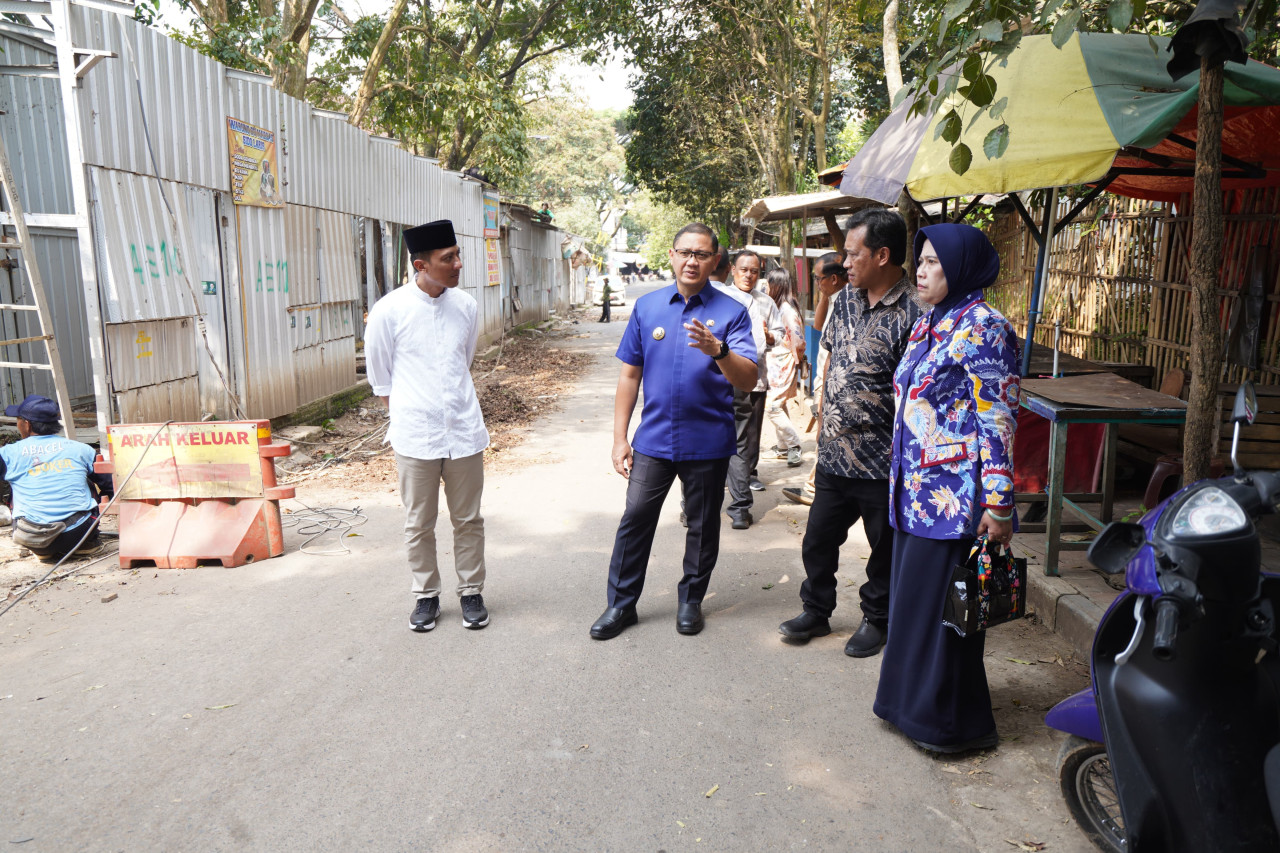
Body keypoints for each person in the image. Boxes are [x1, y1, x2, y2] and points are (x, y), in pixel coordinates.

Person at [874, 222, 1020, 754]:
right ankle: (906, 706)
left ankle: (951, 726)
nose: (921, 270)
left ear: (960, 269)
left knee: (948, 617)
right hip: (914, 493)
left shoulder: (985, 326)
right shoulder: (929, 324)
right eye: (921, 260)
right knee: (915, 606)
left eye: (934, 262)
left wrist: (999, 503)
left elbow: (999, 418)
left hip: (956, 500)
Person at [591, 224, 758, 640]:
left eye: (701, 254)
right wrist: (619, 437)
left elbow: (749, 379)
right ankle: (621, 605)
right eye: (685, 252)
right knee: (635, 519)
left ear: (715, 261)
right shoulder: (647, 308)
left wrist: (718, 350)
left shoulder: (732, 312)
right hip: (653, 441)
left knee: (703, 525)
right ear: (671, 255)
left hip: (708, 442)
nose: (692, 261)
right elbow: (630, 376)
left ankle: (690, 601)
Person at [778, 209, 921, 658]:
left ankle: (876, 619)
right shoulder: (845, 300)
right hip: (836, 455)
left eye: (852, 253)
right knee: (818, 538)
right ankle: (816, 611)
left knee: (884, 549)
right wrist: (822, 416)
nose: (844, 262)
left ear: (882, 255)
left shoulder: (917, 309)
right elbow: (834, 361)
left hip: (883, 460)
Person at [365, 219, 492, 633]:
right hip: (415, 436)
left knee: (468, 519)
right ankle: (426, 596)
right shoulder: (389, 311)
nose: (458, 264)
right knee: (419, 522)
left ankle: (471, 591)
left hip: (464, 431)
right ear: (421, 264)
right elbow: (381, 379)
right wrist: (413, 412)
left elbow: (464, 360)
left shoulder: (466, 306)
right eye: (447, 258)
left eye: (457, 255)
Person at [0, 395, 113, 562]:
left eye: (18, 419)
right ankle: (86, 544)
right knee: (87, 480)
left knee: (16, 485)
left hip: (30, 535)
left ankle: (44, 550)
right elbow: (110, 487)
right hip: (78, 533)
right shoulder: (82, 450)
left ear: (27, 424)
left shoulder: (7, 454)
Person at [782, 255, 848, 507]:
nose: (816, 283)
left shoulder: (847, 299)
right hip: (824, 375)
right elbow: (819, 326)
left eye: (819, 279)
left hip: (831, 379)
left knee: (825, 436)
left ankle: (815, 488)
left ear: (833, 279)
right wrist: (824, 295)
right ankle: (815, 486)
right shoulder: (834, 297)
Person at [725, 250, 784, 529]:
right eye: (743, 270)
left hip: (755, 379)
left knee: (748, 438)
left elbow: (779, 334)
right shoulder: (721, 298)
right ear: (732, 270)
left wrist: (770, 335)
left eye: (754, 271)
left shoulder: (766, 302)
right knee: (717, 437)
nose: (749, 275)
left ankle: (744, 482)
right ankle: (729, 500)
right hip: (721, 380)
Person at [758, 269, 806, 468]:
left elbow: (799, 342)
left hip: (782, 363)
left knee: (772, 406)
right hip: (776, 362)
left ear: (776, 285)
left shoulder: (786, 310)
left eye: (769, 284)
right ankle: (783, 446)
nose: (766, 287)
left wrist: (796, 361)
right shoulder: (779, 307)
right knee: (780, 403)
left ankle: (794, 445)